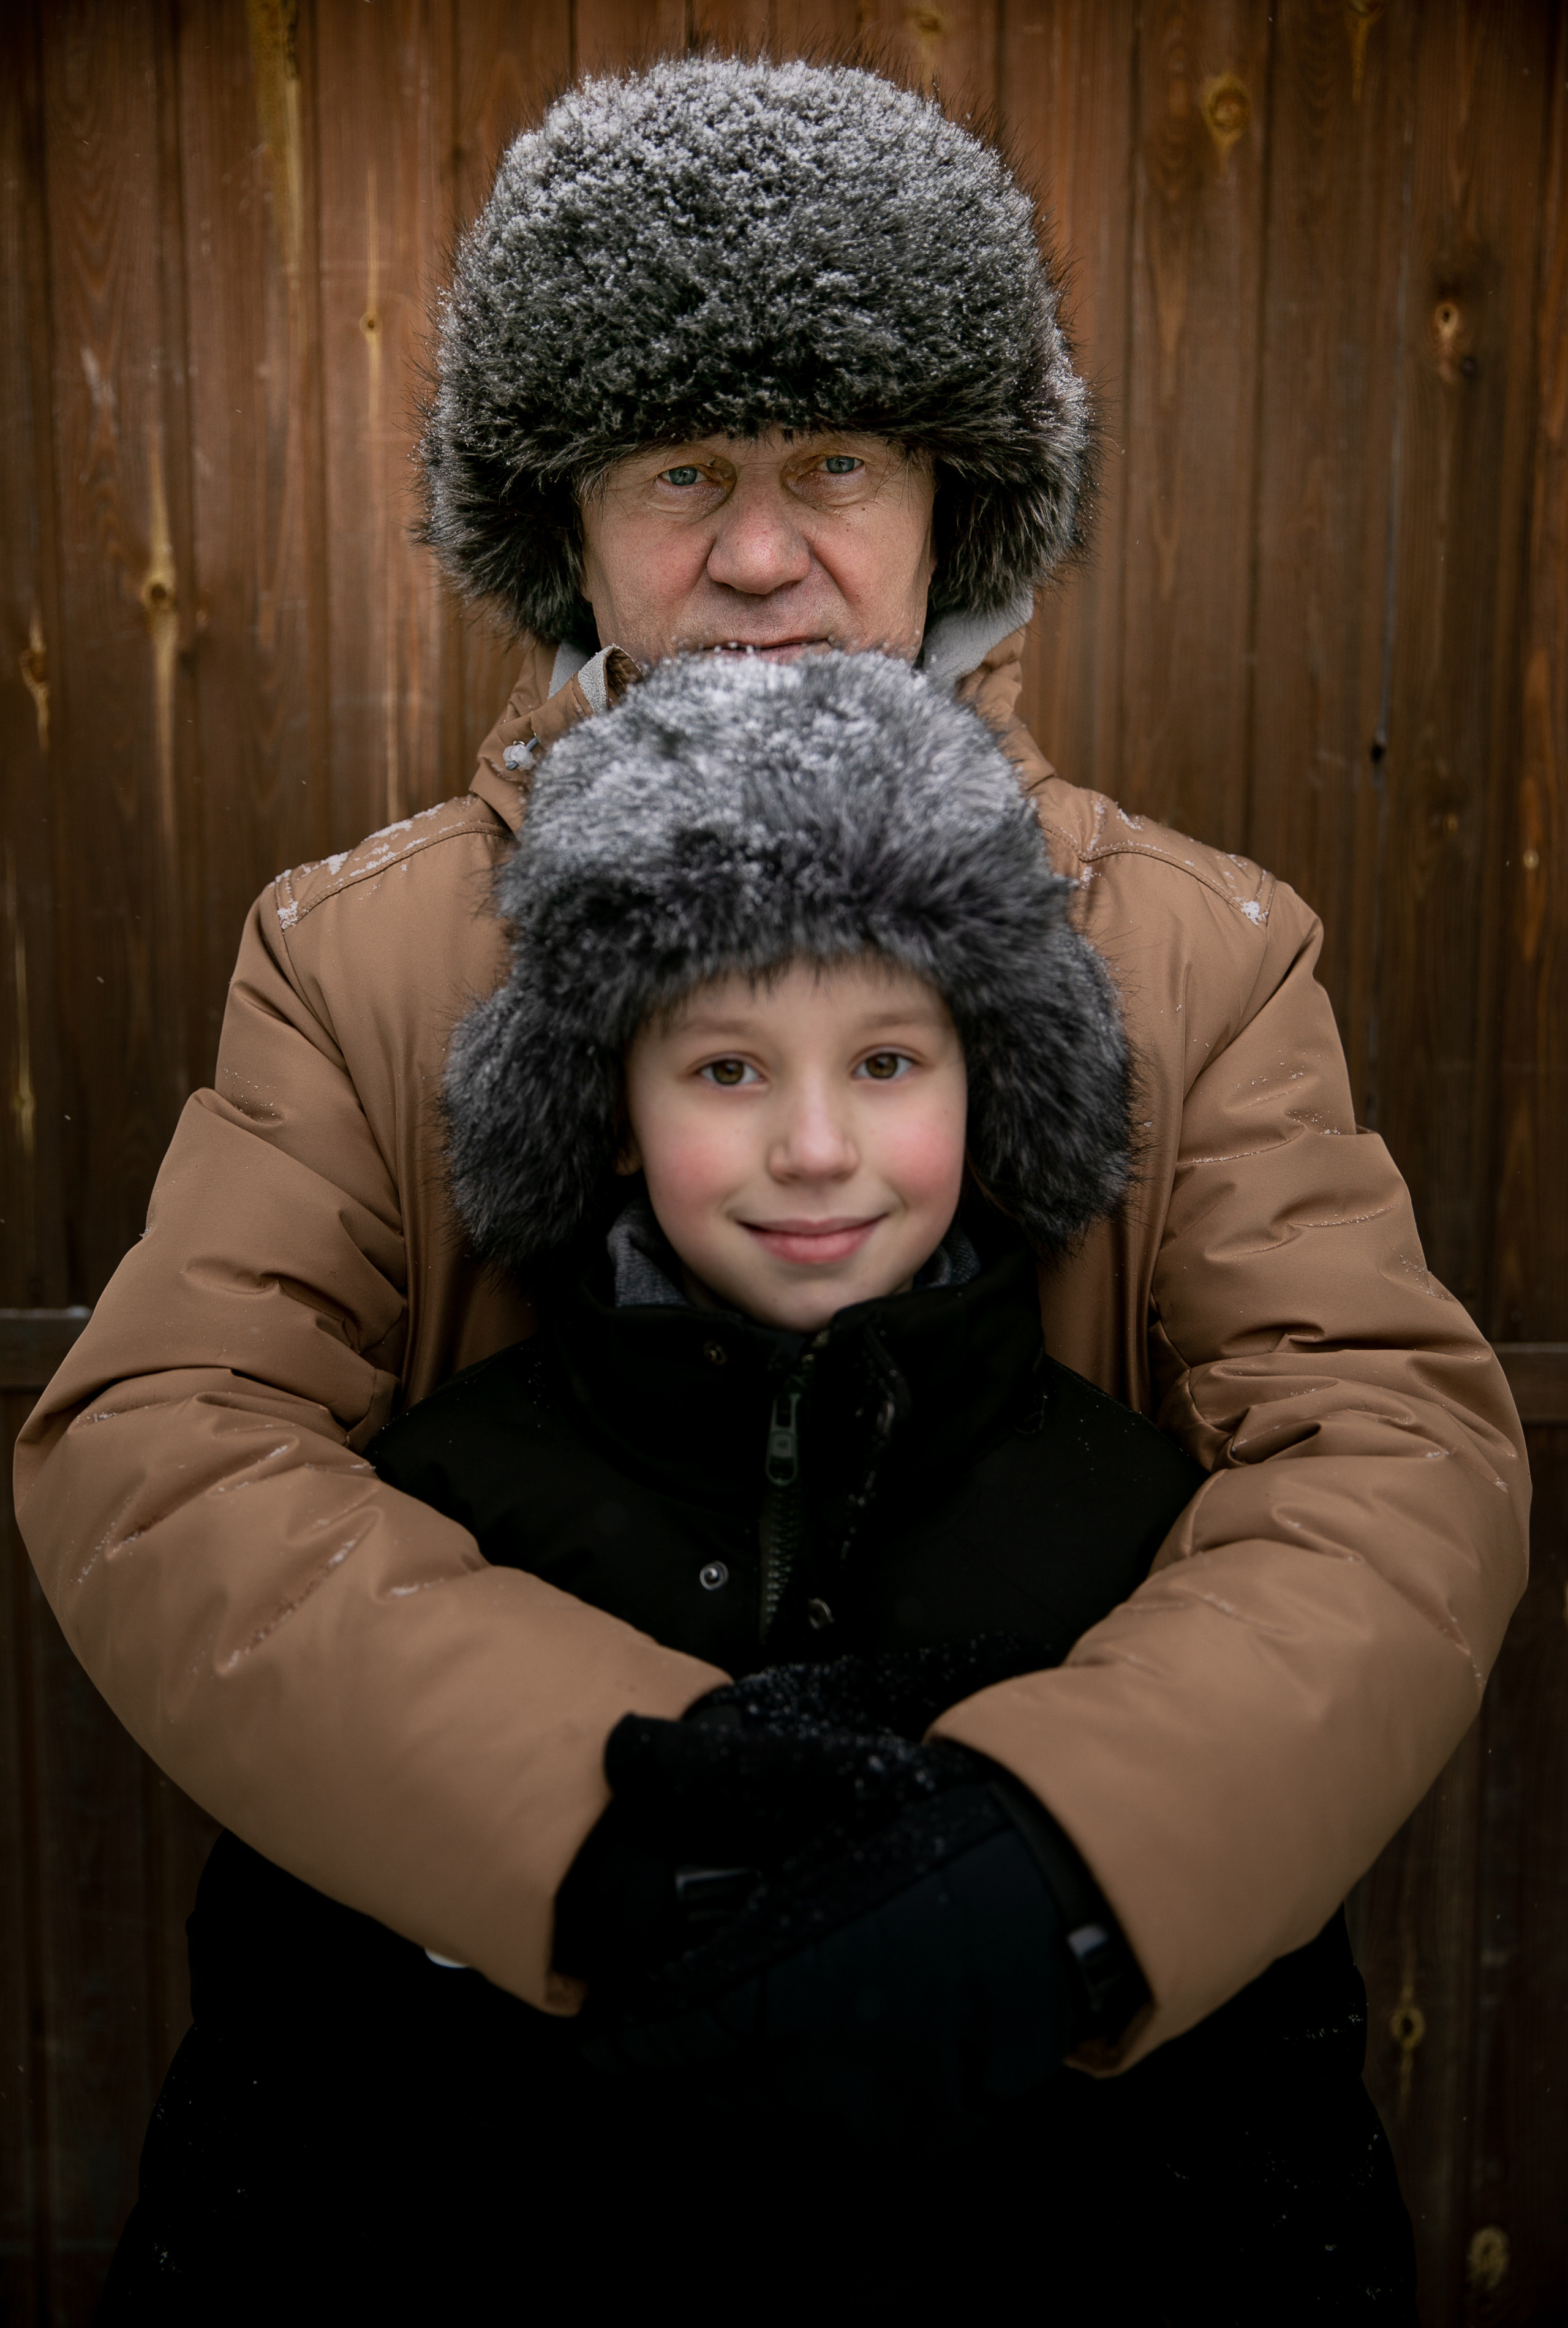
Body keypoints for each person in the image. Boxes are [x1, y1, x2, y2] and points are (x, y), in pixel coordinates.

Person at [15, 47, 1521, 2309]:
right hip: (478, 2131)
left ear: (952, 503)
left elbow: (1386, 1449)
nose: (753, 549)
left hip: (1060, 2123)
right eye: (678, 465)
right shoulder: (366, 958)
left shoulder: (1196, 954)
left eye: (833, 461)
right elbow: (165, 1447)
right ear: (569, 511)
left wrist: (1065, 1855)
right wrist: (598, 1817)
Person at [105, 651, 1413, 2318]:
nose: (814, 1148)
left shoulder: (1136, 1534)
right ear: (611, 1110)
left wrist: (1061, 1888)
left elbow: (1269, 2174)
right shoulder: (442, 1503)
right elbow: (286, 2144)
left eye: (887, 1064)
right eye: (727, 1070)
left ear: (993, 1085)